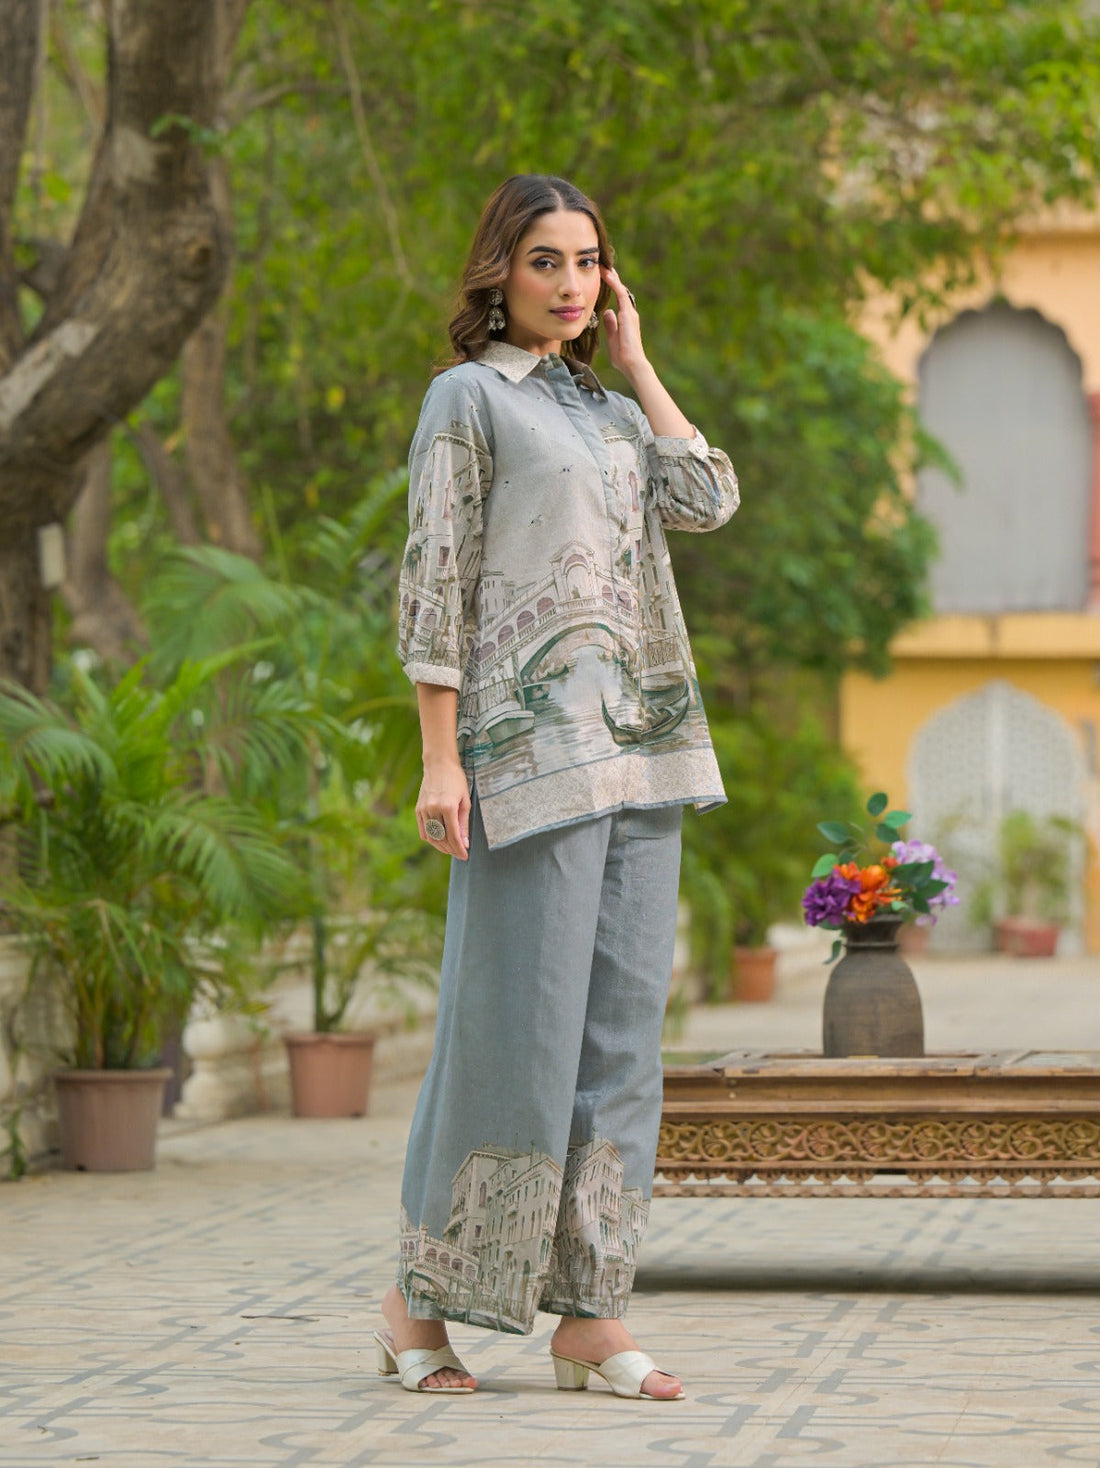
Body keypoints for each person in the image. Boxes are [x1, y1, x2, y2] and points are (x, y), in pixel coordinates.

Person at [375, 174, 739, 1401]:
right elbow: (434, 584)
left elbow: (708, 497)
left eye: (588, 262)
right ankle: (420, 1306)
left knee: (620, 1043)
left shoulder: (611, 412)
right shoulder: (468, 399)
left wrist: (636, 362)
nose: (571, 283)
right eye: (546, 261)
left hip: (643, 752)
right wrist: (440, 759)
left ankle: (591, 1315)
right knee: (509, 1038)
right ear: (499, 270)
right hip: (524, 763)